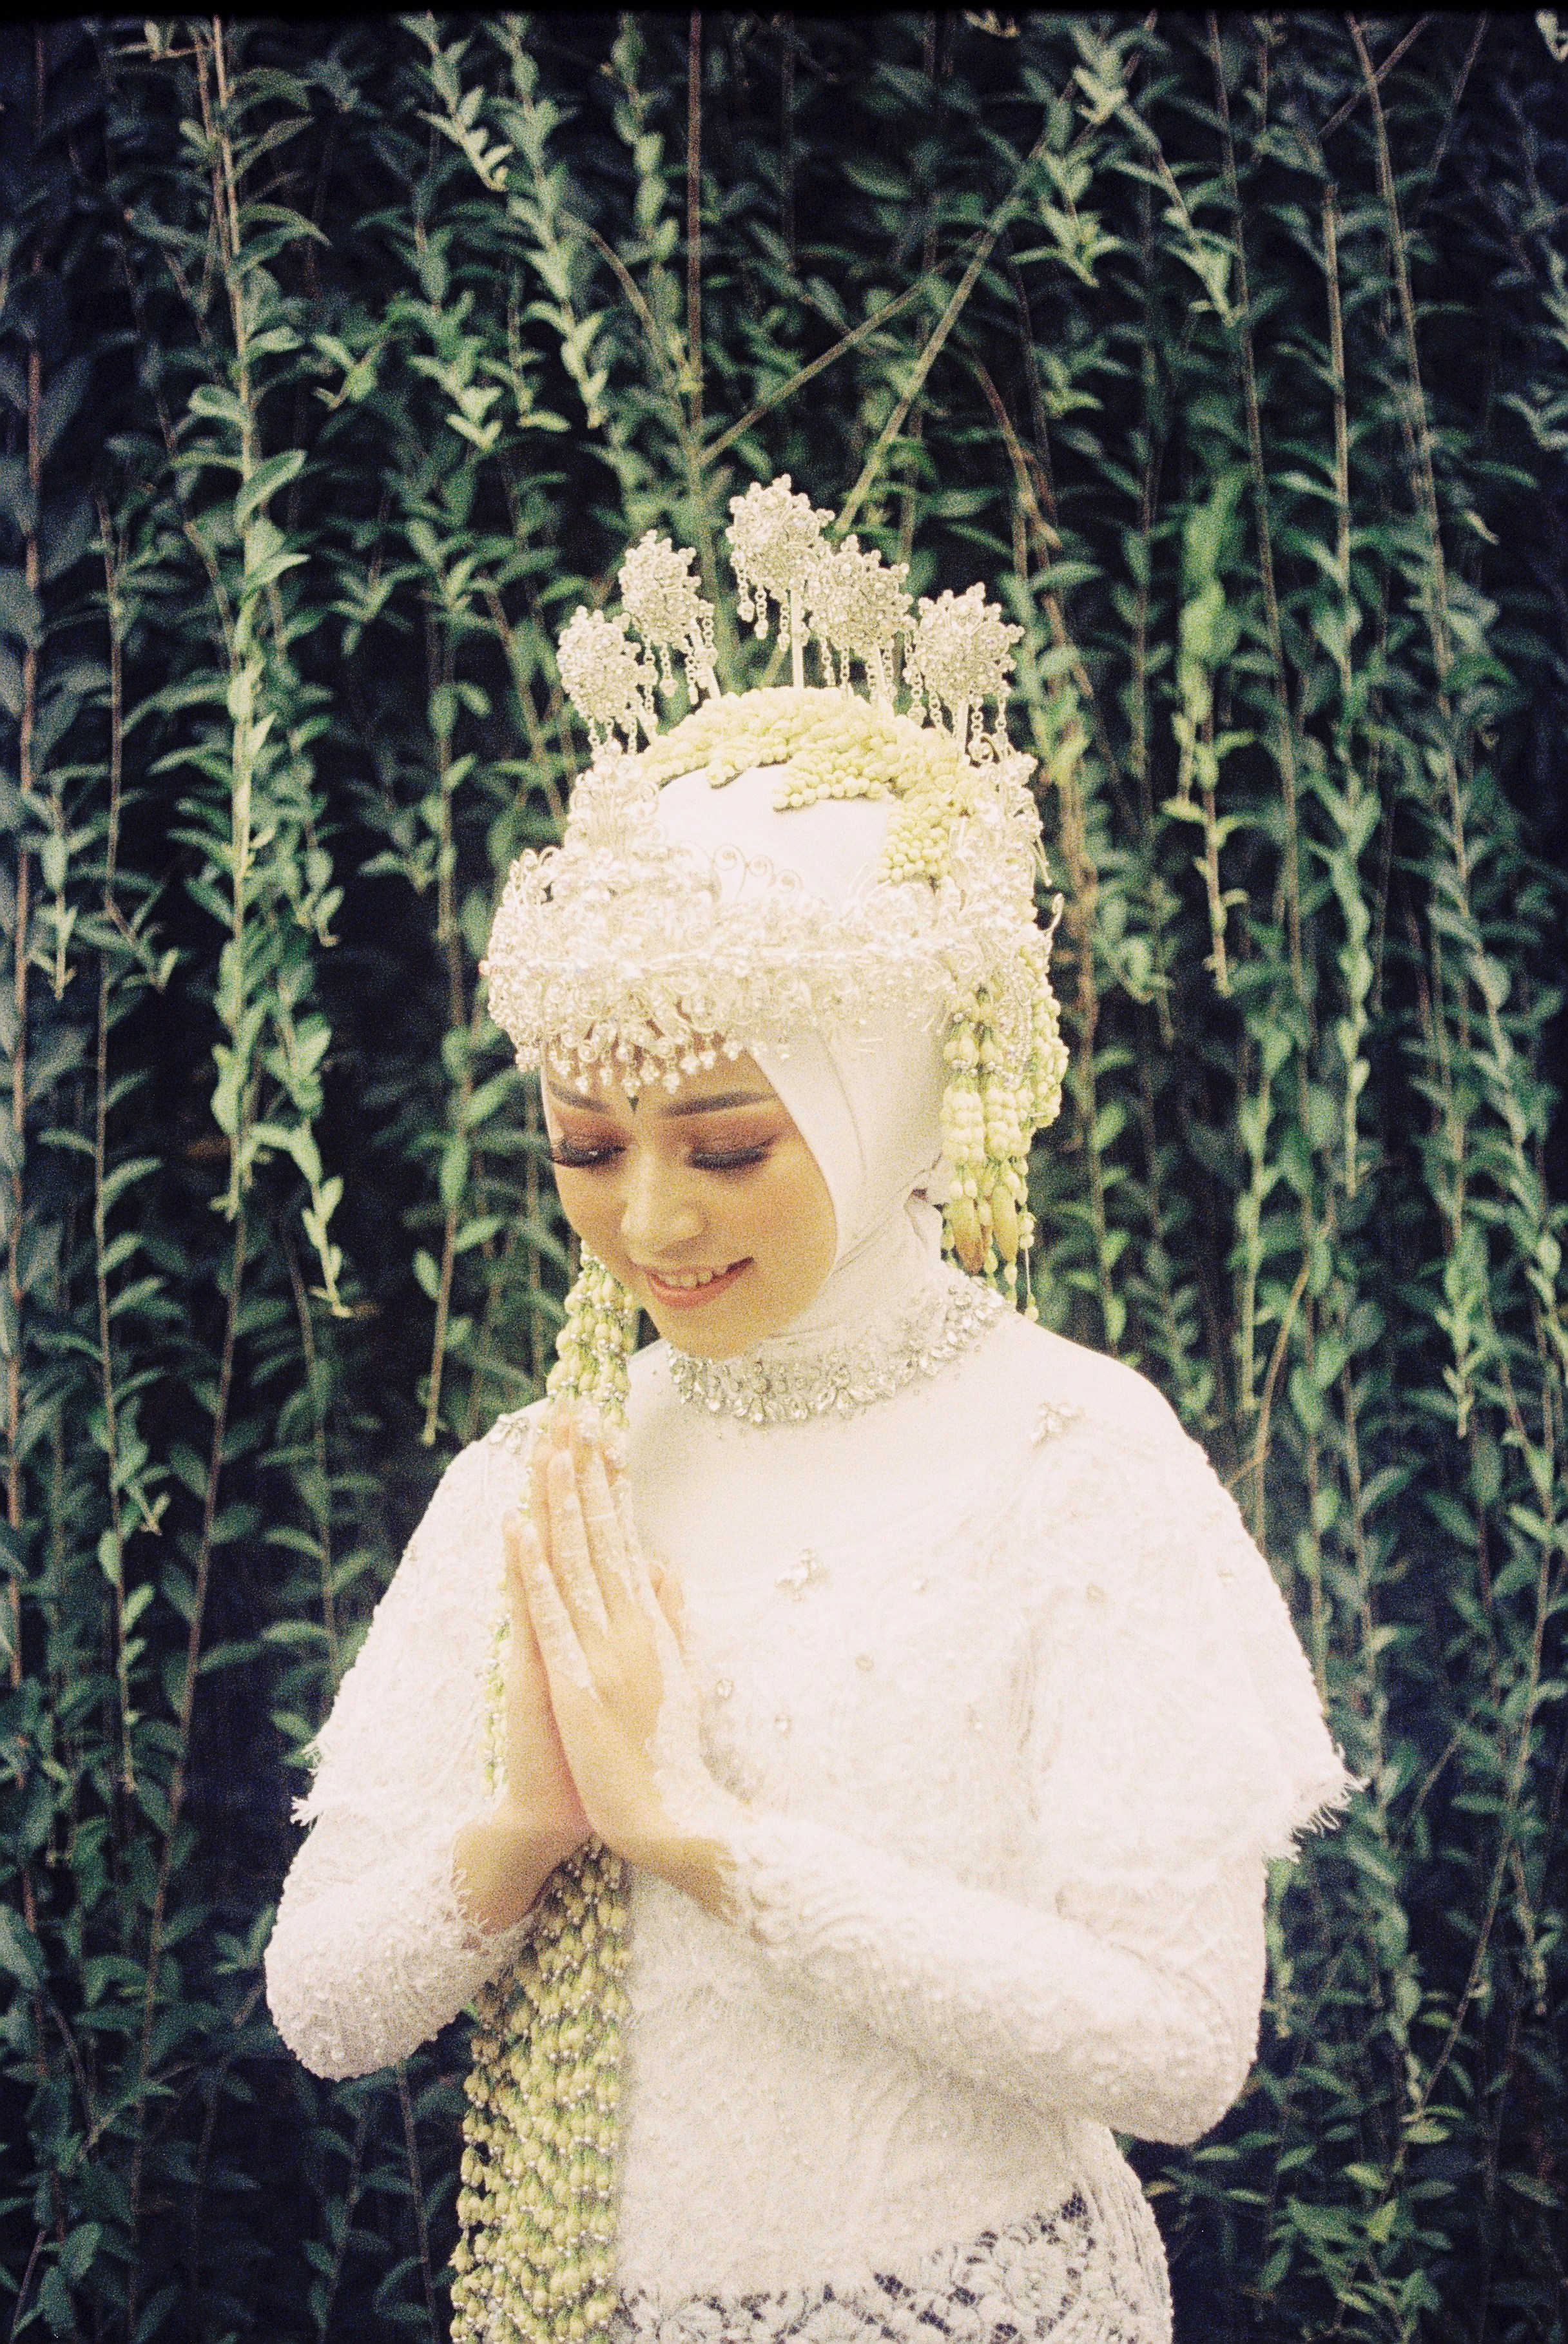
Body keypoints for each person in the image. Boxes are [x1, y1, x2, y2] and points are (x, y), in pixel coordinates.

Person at [264, 483, 1355, 2344]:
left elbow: (1177, 2048)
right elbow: (323, 2004)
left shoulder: (1069, 1458)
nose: (653, 1222)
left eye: (731, 1143)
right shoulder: (548, 1473)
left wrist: (698, 1834)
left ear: (894, 1100)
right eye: (588, 1151)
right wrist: (529, 1821)